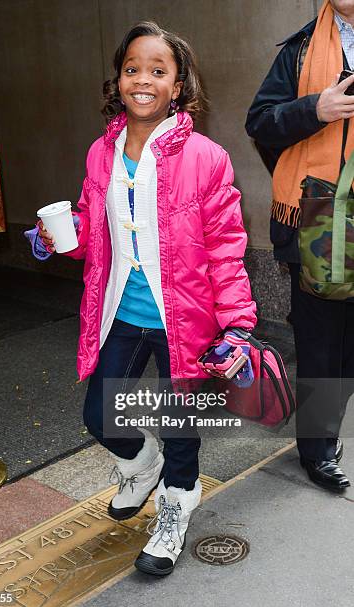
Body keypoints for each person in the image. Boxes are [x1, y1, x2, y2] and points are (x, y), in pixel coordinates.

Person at [37, 21, 256, 575]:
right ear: (118, 80)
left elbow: (226, 248)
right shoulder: (100, 152)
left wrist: (237, 325)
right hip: (121, 311)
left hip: (186, 319)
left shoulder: (207, 157)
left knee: (181, 425)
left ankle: (175, 508)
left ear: (177, 86)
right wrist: (58, 237)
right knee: (99, 412)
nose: (143, 80)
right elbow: (93, 229)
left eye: (158, 71)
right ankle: (140, 465)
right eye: (133, 68)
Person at [245, 0, 354, 492]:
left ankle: (327, 425)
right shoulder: (299, 49)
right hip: (318, 220)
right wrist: (316, 109)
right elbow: (261, 124)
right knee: (319, 342)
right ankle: (317, 447)